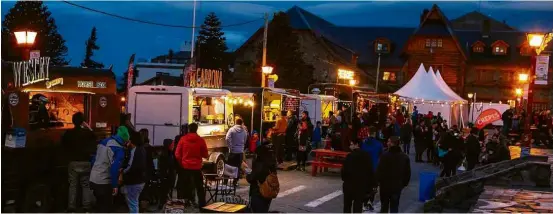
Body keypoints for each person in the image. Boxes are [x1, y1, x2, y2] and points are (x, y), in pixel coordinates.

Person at [62, 112, 97, 212]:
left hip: (73, 162)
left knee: (72, 185)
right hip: (85, 162)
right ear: (83, 121)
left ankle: (71, 206)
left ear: (73, 121)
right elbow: (94, 136)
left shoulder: (68, 133)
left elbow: (63, 145)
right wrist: (87, 126)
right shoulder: (87, 133)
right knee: (85, 184)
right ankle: (86, 206)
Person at [89, 126, 129, 213]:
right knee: (106, 208)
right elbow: (114, 169)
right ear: (125, 139)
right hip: (104, 182)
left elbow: (93, 160)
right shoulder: (119, 149)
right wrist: (115, 185)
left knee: (99, 205)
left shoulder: (103, 142)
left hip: (94, 178)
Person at [175, 123, 208, 208]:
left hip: (185, 167)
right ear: (196, 129)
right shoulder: (201, 140)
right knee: (199, 187)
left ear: (189, 129)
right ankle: (202, 204)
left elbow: (177, 154)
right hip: (197, 167)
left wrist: (181, 163)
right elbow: (205, 154)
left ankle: (184, 203)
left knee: (184, 186)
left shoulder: (183, 139)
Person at [377, 136, 411, 213]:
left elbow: (379, 170)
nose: (387, 143)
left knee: (384, 206)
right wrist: (403, 184)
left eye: (389, 141)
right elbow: (407, 173)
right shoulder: (404, 157)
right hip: (397, 186)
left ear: (392, 143)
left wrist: (378, 181)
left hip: (385, 186)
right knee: (394, 206)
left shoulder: (384, 156)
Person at [342, 139, 376, 213]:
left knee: (347, 206)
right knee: (358, 206)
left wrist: (345, 180)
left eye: (351, 144)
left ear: (356, 145)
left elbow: (344, 171)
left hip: (349, 185)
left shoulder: (349, 156)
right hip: (361, 186)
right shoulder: (367, 156)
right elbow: (370, 171)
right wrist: (371, 185)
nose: (350, 146)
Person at [247, 135, 278, 213]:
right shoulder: (272, 162)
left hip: (258, 193)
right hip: (268, 192)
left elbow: (252, 178)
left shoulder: (260, 164)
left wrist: (247, 174)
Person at [121, 132, 148, 213]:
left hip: (134, 181)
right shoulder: (142, 149)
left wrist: (122, 171)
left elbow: (130, 166)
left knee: (133, 203)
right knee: (134, 202)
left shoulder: (134, 150)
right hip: (140, 180)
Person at [360, 126, 383, 211]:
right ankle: (370, 201)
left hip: (365, 168)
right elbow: (381, 156)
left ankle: (364, 202)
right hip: (375, 168)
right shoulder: (379, 144)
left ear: (368, 133)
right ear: (375, 133)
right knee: (374, 186)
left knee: (365, 186)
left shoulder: (364, 143)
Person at [226, 118, 249, 184]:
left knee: (229, 166)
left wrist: (230, 146)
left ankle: (226, 181)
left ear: (235, 122)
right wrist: (242, 146)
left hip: (233, 151)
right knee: (238, 166)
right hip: (240, 152)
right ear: (241, 123)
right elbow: (245, 139)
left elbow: (227, 138)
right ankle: (235, 182)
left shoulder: (232, 129)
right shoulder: (244, 131)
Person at [171, 124, 188, 200]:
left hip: (179, 161)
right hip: (182, 161)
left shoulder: (178, 137)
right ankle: (183, 197)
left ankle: (181, 197)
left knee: (181, 180)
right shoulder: (181, 138)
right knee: (183, 180)